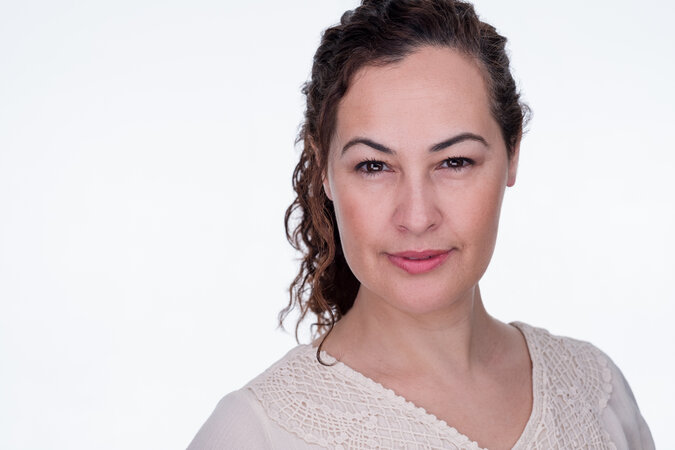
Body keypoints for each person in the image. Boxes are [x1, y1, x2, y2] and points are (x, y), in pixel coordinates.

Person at [189, 0, 655, 448]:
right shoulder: (257, 433)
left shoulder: (596, 392)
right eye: (373, 166)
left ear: (512, 153)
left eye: (455, 162)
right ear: (325, 168)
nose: (416, 217)